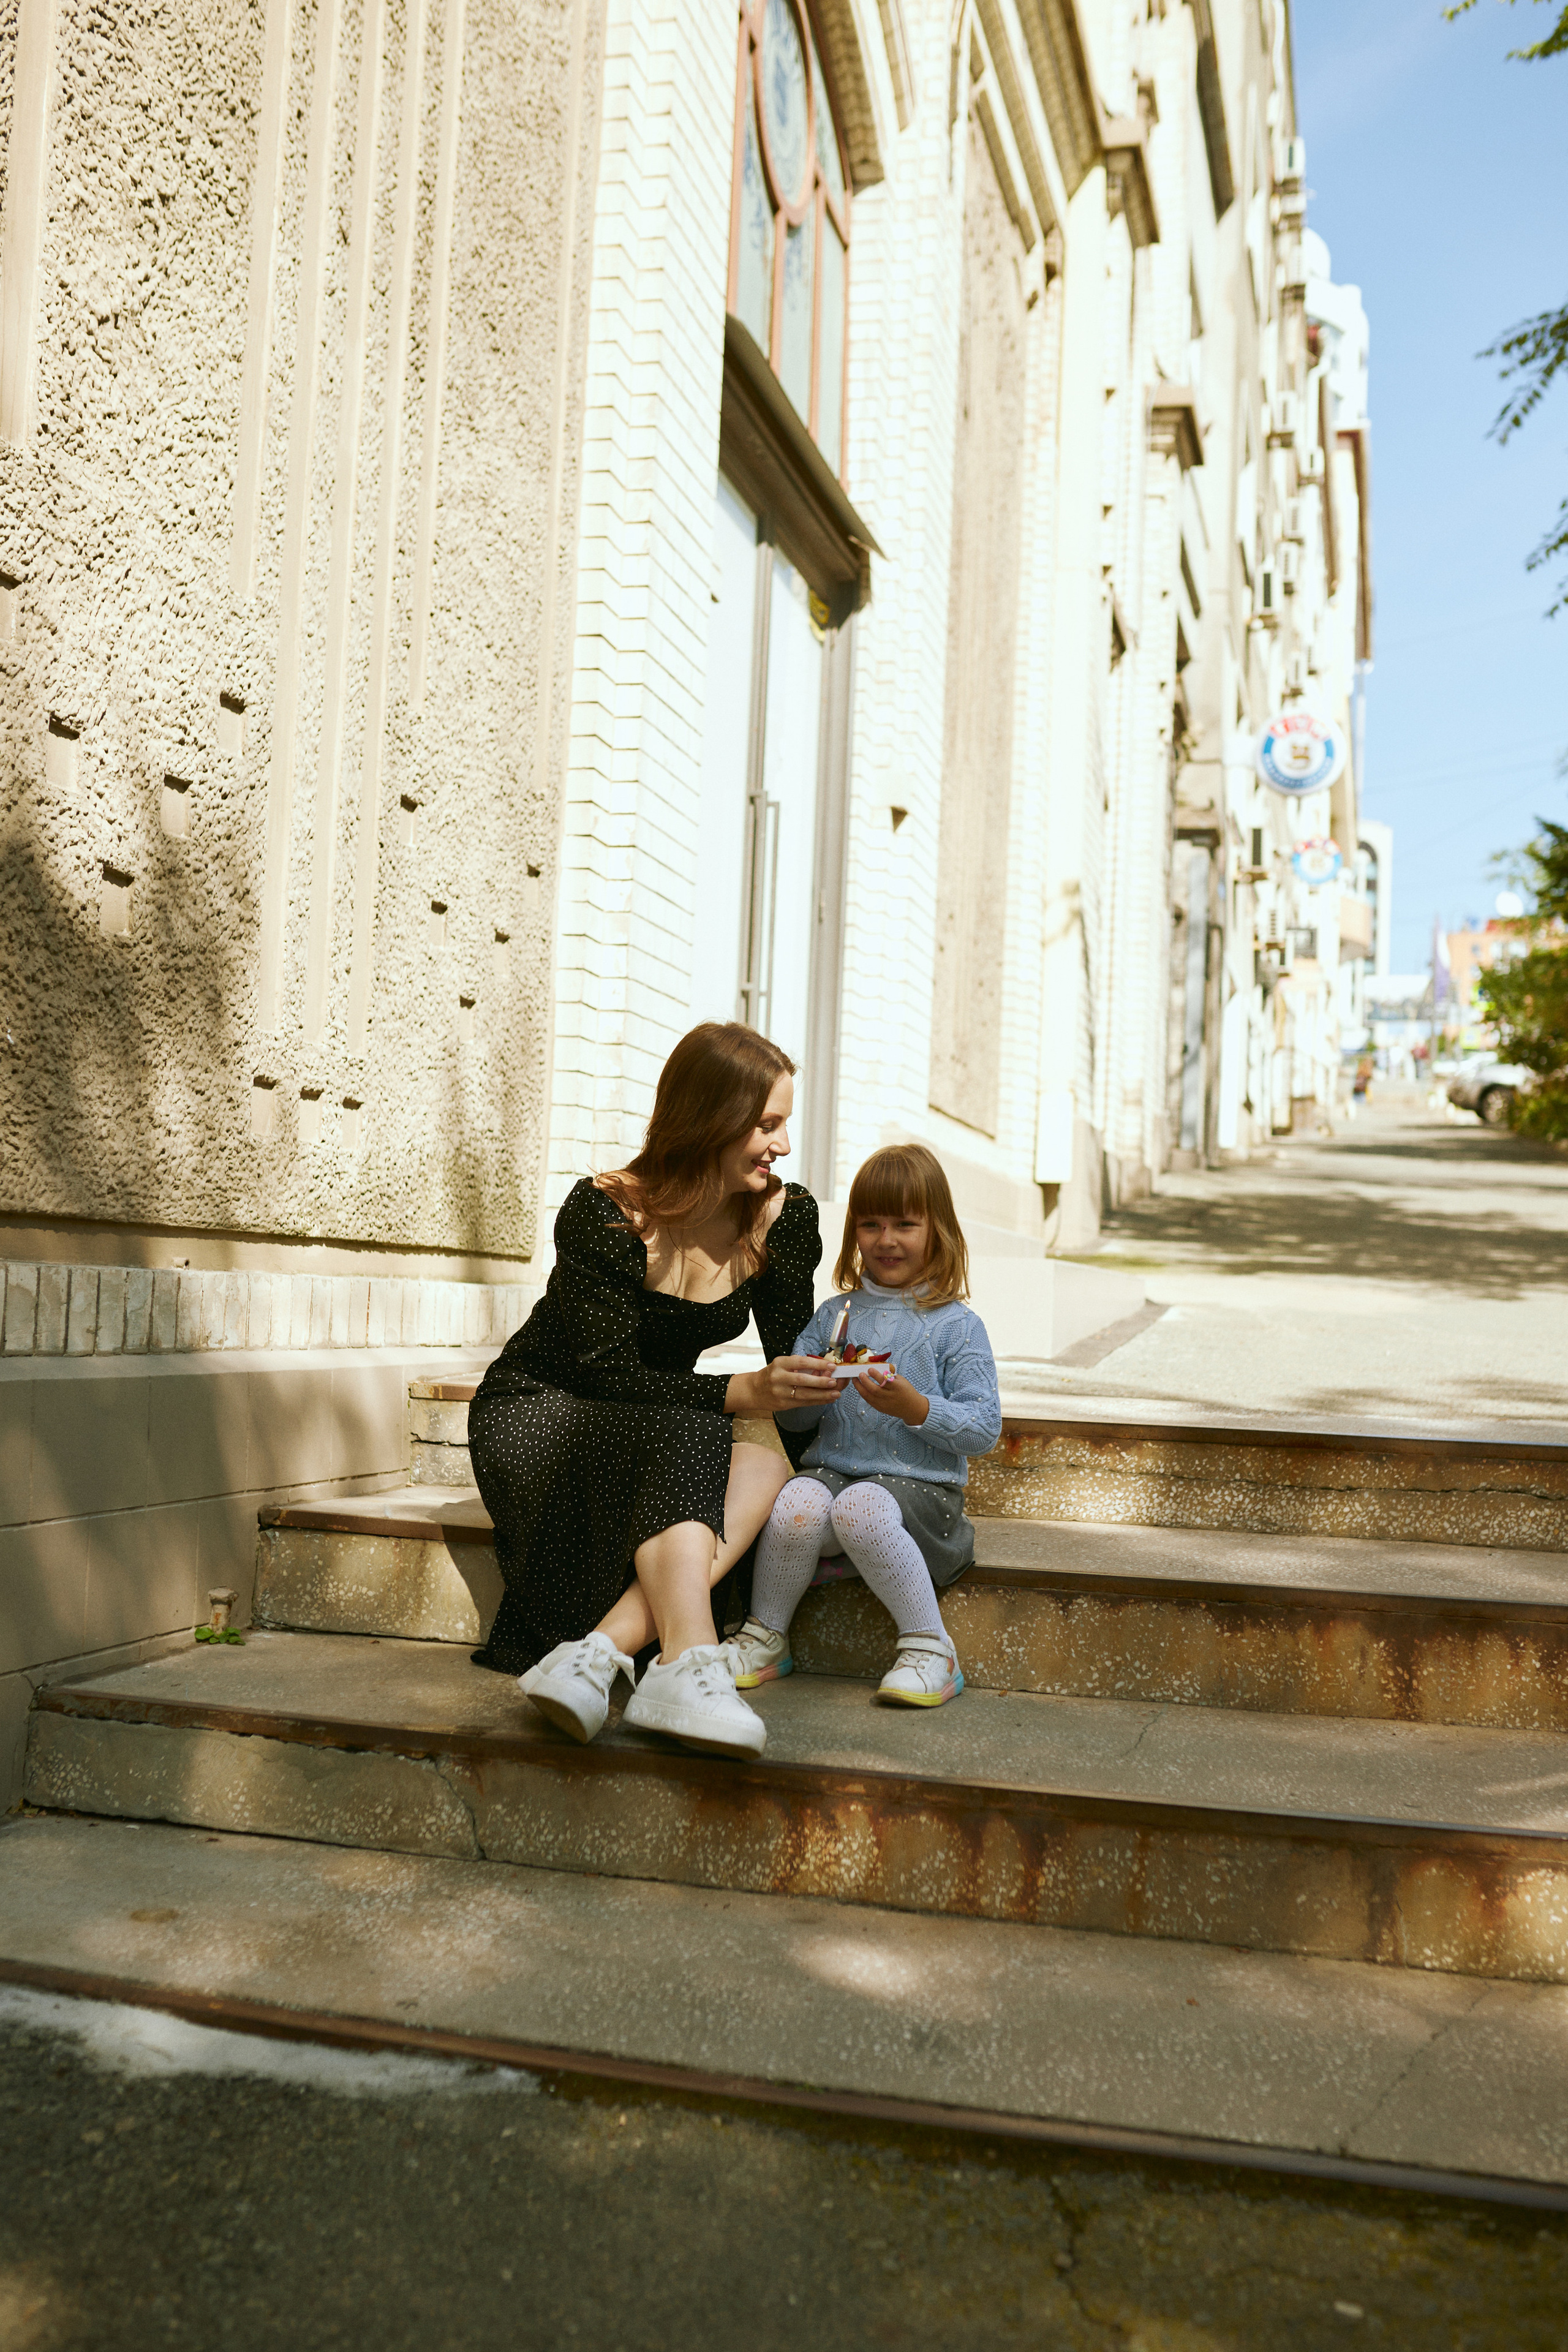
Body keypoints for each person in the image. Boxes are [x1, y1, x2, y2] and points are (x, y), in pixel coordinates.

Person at [467, 1023, 838, 1757]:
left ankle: (596, 1654)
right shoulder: (605, 1211)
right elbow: (601, 1370)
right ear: (710, 1122)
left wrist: (821, 1412)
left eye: (784, 1123)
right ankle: (688, 1660)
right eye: (767, 1124)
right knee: (701, 1431)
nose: (784, 1145)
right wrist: (739, 1393)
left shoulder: (780, 1217)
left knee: (764, 1461)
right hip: (542, 1411)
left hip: (653, 1421)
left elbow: (784, 1360)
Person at [726, 1143, 1001, 1709]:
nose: (886, 1239)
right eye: (871, 1224)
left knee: (861, 1506)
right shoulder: (834, 1316)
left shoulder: (957, 1327)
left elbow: (982, 1428)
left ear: (938, 1229)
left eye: (905, 1223)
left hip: (923, 1497)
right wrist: (807, 1391)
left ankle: (931, 1648)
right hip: (836, 1480)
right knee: (797, 1497)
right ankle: (766, 1636)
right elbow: (796, 1418)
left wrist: (914, 1407)